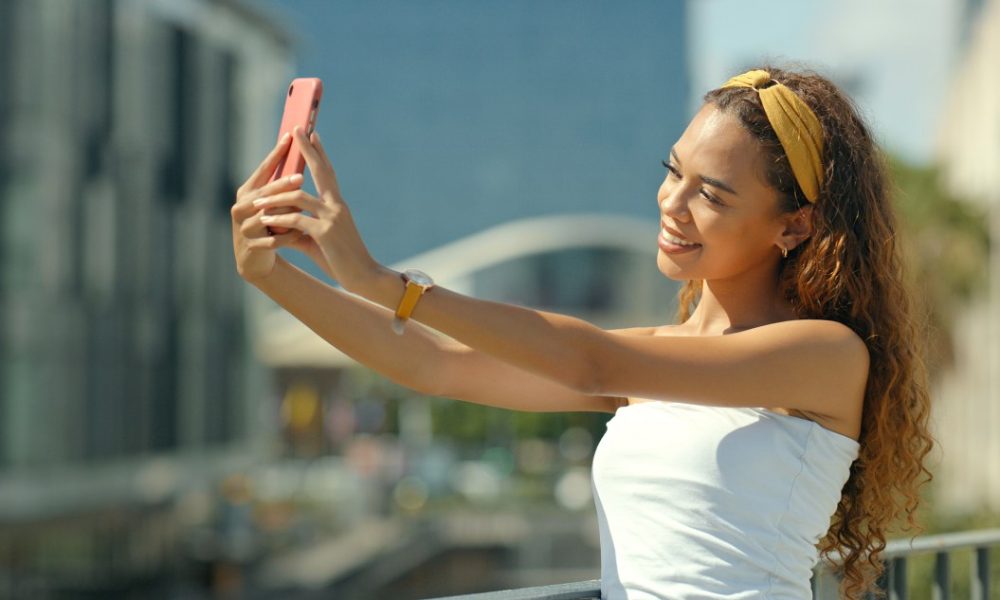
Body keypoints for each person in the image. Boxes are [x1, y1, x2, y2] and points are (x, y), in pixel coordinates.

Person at [230, 64, 934, 599]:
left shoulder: (823, 354)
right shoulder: (659, 357)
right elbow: (439, 366)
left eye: (711, 194)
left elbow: (589, 363)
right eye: (673, 172)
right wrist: (274, 277)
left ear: (795, 224)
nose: (673, 204)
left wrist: (386, 283)